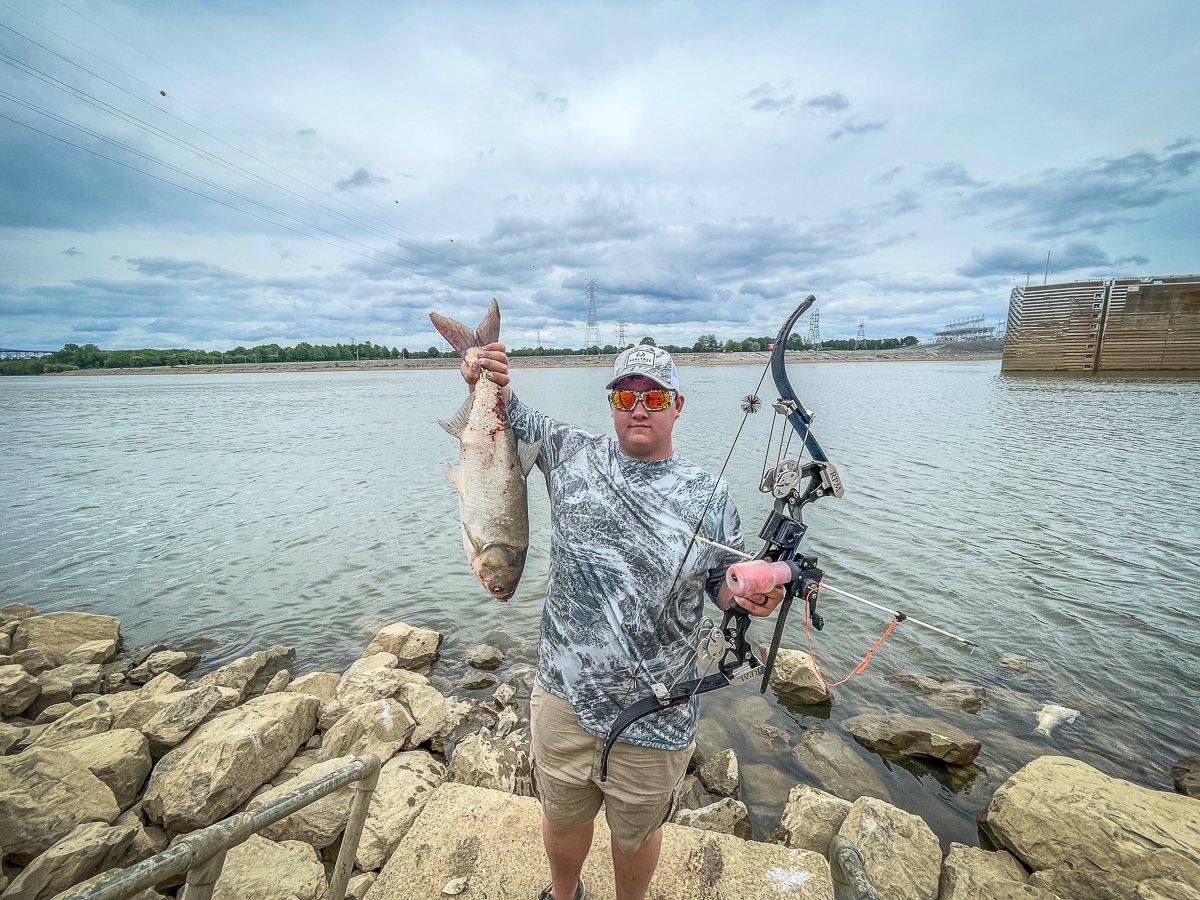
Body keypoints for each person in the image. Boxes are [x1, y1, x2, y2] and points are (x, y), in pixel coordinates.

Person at [460, 342, 784, 900]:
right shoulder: (568, 451)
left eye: (654, 395)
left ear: (677, 405)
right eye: (627, 395)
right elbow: (503, 411)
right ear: (611, 403)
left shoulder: (709, 493)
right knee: (563, 815)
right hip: (564, 695)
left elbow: (722, 584)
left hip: (656, 712)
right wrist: (481, 372)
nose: (640, 407)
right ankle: (564, 895)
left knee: (635, 834)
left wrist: (752, 598)